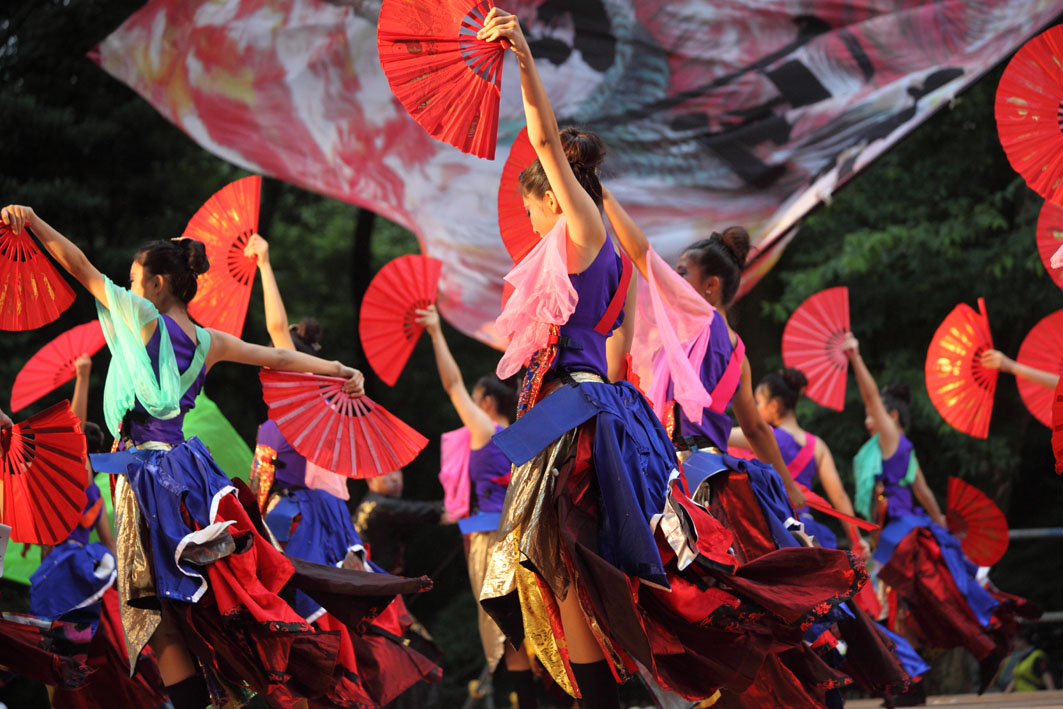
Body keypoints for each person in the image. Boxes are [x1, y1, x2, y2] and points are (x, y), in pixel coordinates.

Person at [476, 11, 863, 708]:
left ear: (556, 193)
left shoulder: (585, 228)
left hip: (576, 421)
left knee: (542, 560)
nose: (531, 221)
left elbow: (539, 135)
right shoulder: (616, 267)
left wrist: (525, 58)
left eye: (535, 205)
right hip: (592, 414)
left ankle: (619, 691)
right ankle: (616, 692)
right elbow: (618, 358)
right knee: (565, 566)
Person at [0, 203, 422, 709]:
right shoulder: (208, 341)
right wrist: (336, 367)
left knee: (157, 617)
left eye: (134, 281)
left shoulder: (141, 318)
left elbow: (79, 265)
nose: (128, 290)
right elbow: (279, 357)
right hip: (191, 475)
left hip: (146, 479)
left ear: (157, 284)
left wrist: (34, 221)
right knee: (197, 603)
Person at [244, 232, 442, 706]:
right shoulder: (315, 409)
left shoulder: (308, 404)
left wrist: (265, 263)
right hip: (324, 518)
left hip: (299, 523)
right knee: (332, 622)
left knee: (302, 621)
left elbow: (275, 330)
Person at [845, 331, 1036, 694]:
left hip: (898, 537)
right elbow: (925, 492)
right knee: (911, 609)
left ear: (892, 415)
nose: (868, 417)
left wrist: (856, 357)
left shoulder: (888, 439)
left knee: (878, 604)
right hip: (903, 533)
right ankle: (915, 680)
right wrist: (940, 526)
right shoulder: (901, 448)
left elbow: (870, 395)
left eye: (874, 413)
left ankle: (946, 664)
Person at [415, 303, 537, 707]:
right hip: (520, 536)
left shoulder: (486, 430)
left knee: (506, 631)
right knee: (521, 629)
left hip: (491, 539)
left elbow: (452, 386)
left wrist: (435, 333)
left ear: (486, 401)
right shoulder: (523, 433)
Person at [730, 367, 870, 558]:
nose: (755, 407)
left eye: (758, 402)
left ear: (775, 405)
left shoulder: (760, 437)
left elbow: (719, 435)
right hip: (807, 531)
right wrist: (857, 539)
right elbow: (839, 496)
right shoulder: (818, 446)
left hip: (771, 531)